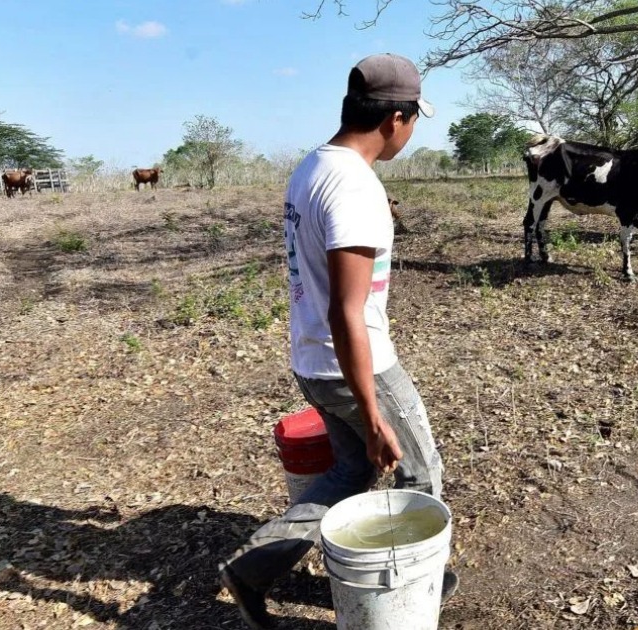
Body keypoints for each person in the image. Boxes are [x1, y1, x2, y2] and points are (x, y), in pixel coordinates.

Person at [218, 53, 456, 630]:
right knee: (420, 471)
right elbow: (347, 311)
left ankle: (253, 568)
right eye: (414, 120)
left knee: (351, 471)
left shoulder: (313, 166)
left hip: (312, 360)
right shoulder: (354, 187)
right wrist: (373, 416)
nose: (412, 132)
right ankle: (402, 588)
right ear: (395, 119)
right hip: (357, 365)